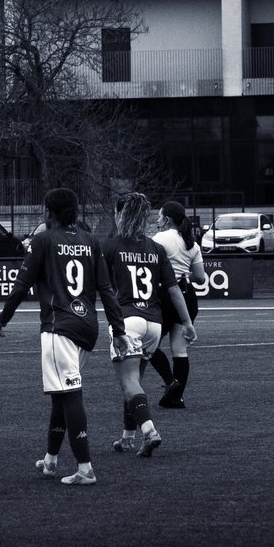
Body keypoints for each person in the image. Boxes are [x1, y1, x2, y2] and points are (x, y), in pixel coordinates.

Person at [0, 186, 128, 486]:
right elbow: (106, 290)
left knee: (69, 394)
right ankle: (51, 461)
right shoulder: (91, 241)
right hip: (87, 327)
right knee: (60, 395)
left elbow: (22, 283)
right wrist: (117, 330)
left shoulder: (43, 240)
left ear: (49, 212)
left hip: (59, 327)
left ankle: (85, 468)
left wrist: (4, 317)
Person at [101, 192, 197, 456]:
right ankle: (127, 438)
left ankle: (150, 431)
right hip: (154, 324)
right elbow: (175, 289)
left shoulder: (111, 246)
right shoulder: (155, 249)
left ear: (121, 215)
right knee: (135, 382)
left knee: (129, 382)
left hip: (127, 321)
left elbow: (94, 285)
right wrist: (187, 323)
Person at [150, 200, 207, 408]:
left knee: (148, 346)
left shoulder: (160, 238)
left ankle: (170, 383)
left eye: (159, 216)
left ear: (167, 219)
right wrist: (182, 273)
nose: (157, 219)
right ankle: (176, 397)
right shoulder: (192, 242)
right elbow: (200, 278)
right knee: (179, 350)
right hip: (187, 295)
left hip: (165, 294)